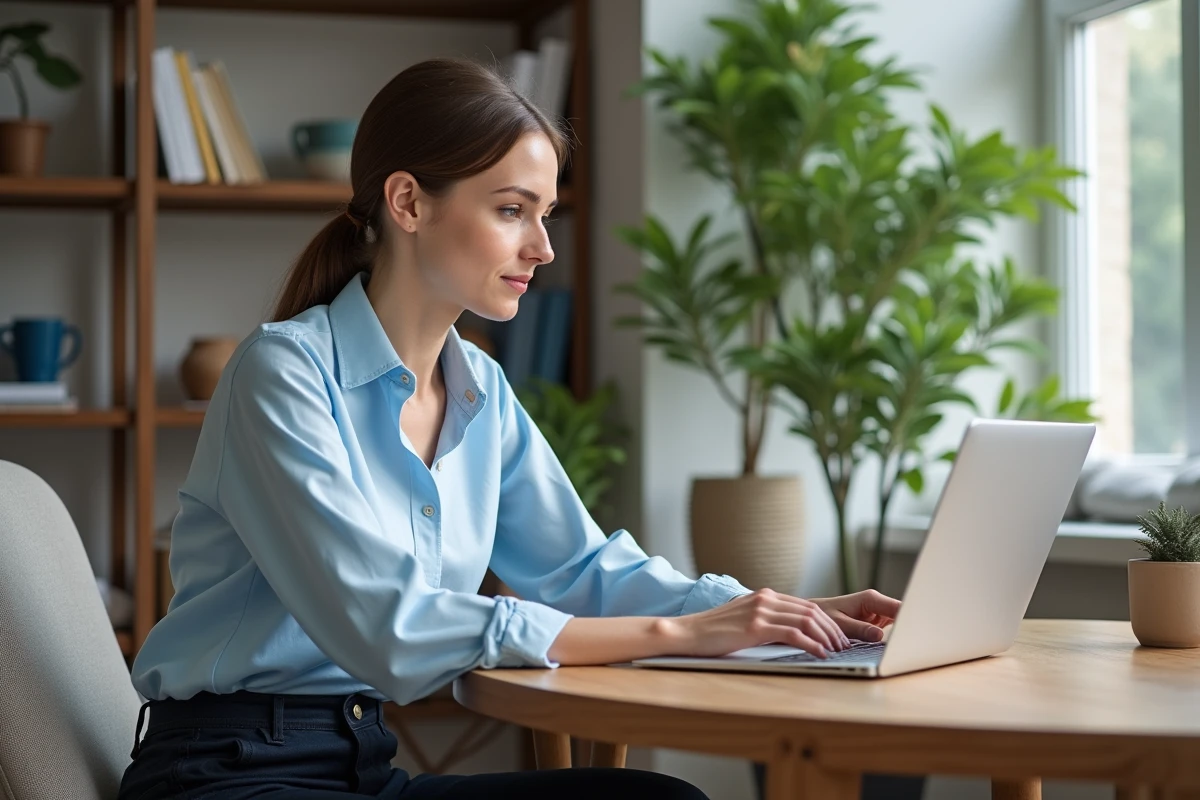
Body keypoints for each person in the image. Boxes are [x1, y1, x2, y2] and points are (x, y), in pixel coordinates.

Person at [117, 58, 902, 800]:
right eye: (510, 210)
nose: (543, 246)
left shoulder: (479, 388)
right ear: (409, 203)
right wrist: (686, 631)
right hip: (229, 773)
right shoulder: (280, 375)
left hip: (364, 766)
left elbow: (583, 570)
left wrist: (779, 613)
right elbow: (389, 628)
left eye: (546, 213)